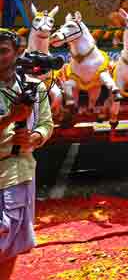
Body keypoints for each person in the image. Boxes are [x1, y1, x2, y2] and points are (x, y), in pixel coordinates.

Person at [0, 28, 53, 279]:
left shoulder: (34, 86)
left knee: (11, 238)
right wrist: (11, 118)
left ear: (17, 52)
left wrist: (34, 137)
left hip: (19, 168)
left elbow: (46, 124)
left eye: (3, 51)